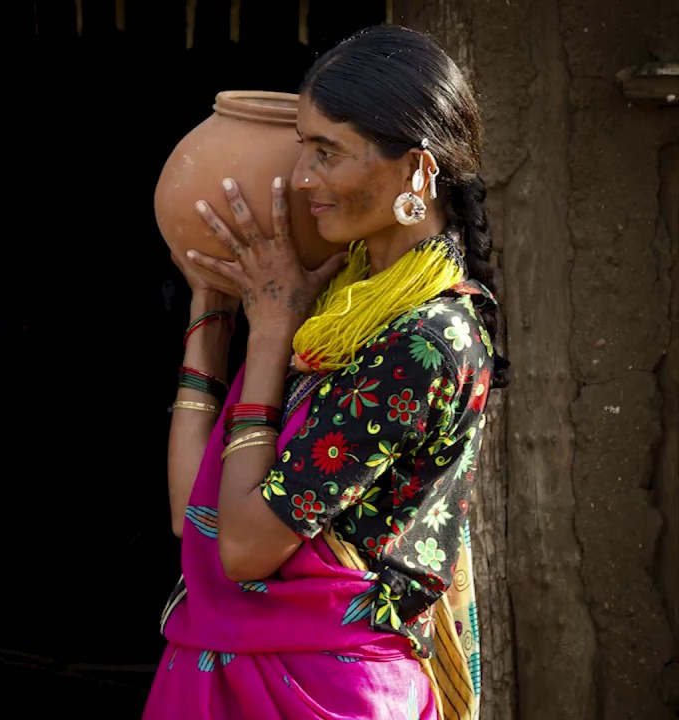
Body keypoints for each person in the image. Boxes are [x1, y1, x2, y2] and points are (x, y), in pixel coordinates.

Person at [146, 24, 507, 720]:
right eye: (301, 147)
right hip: (254, 674)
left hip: (330, 693)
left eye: (327, 152)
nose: (302, 176)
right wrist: (213, 307)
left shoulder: (425, 344)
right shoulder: (337, 309)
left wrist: (270, 333)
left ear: (416, 171)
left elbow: (244, 548)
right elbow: (193, 512)